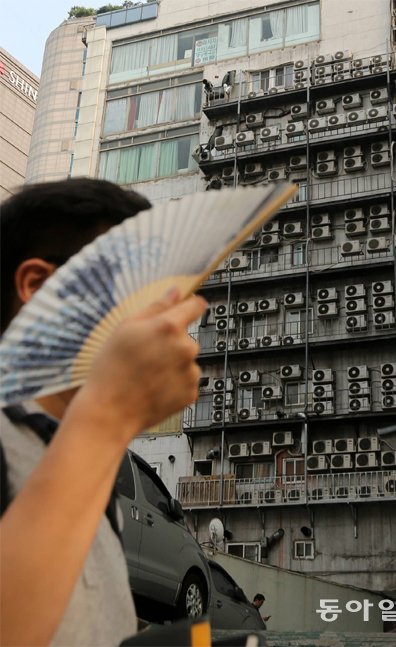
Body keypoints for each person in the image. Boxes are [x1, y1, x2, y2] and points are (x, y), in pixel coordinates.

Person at [0, 178, 207, 647]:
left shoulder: (84, 462)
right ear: (40, 286)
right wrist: (109, 415)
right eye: (140, 289)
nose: (167, 319)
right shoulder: (89, 440)